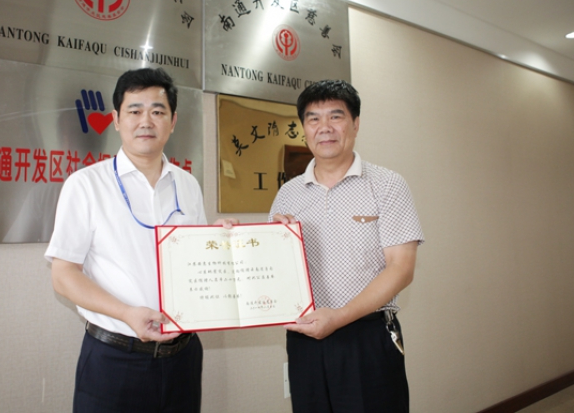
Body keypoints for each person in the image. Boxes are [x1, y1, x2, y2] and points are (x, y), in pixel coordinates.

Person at [45, 68, 235, 412]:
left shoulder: (187, 184)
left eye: (158, 111)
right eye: (134, 111)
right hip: (115, 358)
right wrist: (127, 313)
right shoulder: (85, 184)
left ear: (172, 121)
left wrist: (222, 241)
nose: (146, 121)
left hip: (183, 355)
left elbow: (196, 262)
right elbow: (63, 275)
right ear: (116, 120)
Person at [270, 79, 424, 413]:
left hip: (366, 337)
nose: (324, 127)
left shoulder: (387, 185)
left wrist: (339, 317)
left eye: (335, 116)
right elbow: (275, 272)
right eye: (313, 118)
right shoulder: (287, 194)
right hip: (305, 339)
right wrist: (267, 244)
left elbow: (401, 268)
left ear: (355, 123)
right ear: (304, 128)